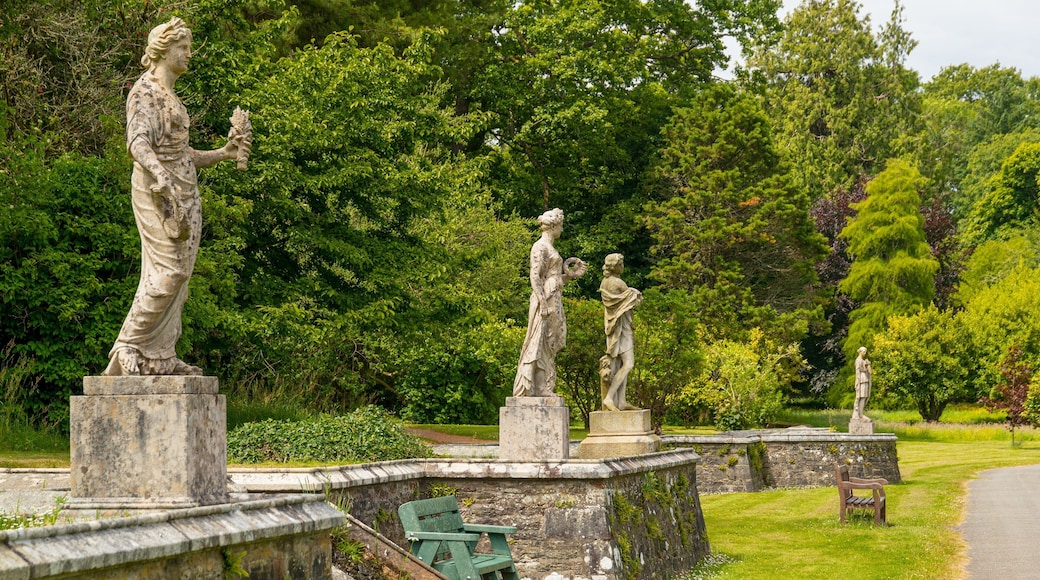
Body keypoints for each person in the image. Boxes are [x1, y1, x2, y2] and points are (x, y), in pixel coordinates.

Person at [103, 17, 249, 376]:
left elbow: (183, 154)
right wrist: (160, 174)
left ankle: (160, 356)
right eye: (183, 47)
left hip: (185, 194)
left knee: (180, 278)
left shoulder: (170, 96)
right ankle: (128, 345)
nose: (188, 54)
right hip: (157, 192)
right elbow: (137, 143)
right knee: (167, 273)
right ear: (164, 50)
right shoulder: (145, 91)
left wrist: (224, 153)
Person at [512, 208, 586, 397]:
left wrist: (570, 276)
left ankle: (544, 386)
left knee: (550, 341)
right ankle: (539, 387)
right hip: (545, 299)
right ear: (553, 226)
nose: (561, 230)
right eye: (560, 226)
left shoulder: (550, 247)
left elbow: (552, 278)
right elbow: (535, 276)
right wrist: (542, 303)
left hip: (553, 295)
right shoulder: (540, 246)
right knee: (540, 341)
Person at [599, 253, 642, 411]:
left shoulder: (605, 282)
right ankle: (610, 398)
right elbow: (634, 301)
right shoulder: (618, 283)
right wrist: (635, 295)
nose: (623, 266)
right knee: (629, 363)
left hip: (614, 327)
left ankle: (621, 401)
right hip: (621, 329)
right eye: (621, 264)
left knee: (621, 364)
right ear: (615, 266)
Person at [853, 346, 872, 419]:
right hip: (861, 380)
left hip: (864, 379)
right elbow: (857, 372)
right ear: (860, 352)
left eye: (865, 352)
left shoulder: (863, 361)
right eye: (864, 352)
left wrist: (868, 364)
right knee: (860, 397)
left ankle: (860, 413)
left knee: (864, 397)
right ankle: (859, 414)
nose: (865, 353)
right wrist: (857, 382)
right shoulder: (858, 360)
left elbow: (870, 372)